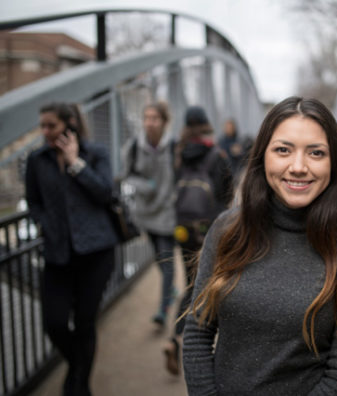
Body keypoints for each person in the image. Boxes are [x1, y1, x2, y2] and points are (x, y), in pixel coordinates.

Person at [182, 96, 337, 395]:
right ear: (263, 156)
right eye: (283, 150)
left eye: (316, 153)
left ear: (334, 162)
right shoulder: (226, 230)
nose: (298, 167)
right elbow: (198, 332)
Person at [25, 102, 118, 396]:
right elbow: (33, 201)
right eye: (42, 126)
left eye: (51, 125)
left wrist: (76, 163)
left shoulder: (95, 154)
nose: (45, 132)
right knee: (54, 322)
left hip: (97, 253)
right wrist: (44, 223)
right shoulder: (36, 160)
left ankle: (79, 386)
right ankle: (78, 367)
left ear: (69, 124)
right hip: (57, 254)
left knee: (84, 322)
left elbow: (106, 192)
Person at [163, 105, 233, 376]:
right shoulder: (216, 154)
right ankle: (183, 339)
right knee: (202, 285)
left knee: (191, 281)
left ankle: (178, 337)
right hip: (209, 229)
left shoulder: (178, 153)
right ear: (206, 125)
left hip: (182, 228)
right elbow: (227, 194)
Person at [121, 101, 177, 327]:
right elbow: (126, 175)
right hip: (145, 213)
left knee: (167, 261)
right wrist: (145, 185)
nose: (149, 123)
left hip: (168, 212)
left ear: (164, 122)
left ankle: (163, 309)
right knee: (159, 258)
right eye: (146, 118)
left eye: (154, 118)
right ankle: (170, 290)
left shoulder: (174, 146)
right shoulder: (134, 147)